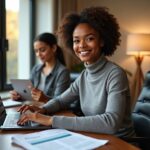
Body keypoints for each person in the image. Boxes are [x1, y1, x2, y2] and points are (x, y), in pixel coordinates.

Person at [17, 6, 135, 137]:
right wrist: (42, 109)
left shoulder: (115, 74)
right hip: (97, 138)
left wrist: (50, 120)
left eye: (89, 38)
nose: (82, 45)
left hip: (120, 143)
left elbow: (111, 123)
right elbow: (61, 100)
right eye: (76, 41)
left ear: (102, 41)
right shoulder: (85, 75)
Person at [10, 33, 70, 103]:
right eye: (36, 51)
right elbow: (28, 93)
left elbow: (61, 102)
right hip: (34, 108)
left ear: (53, 48)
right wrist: (18, 95)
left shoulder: (63, 72)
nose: (38, 54)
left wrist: (44, 98)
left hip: (49, 112)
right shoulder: (36, 69)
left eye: (42, 50)